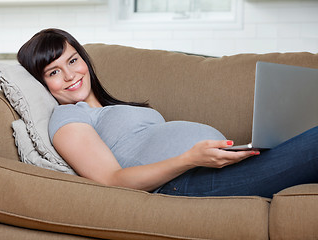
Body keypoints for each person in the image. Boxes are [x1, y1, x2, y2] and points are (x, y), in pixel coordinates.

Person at [18, 28, 318, 198]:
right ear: (41, 82)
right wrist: (189, 159)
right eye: (54, 71)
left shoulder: (110, 110)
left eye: (72, 61)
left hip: (210, 169)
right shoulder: (68, 117)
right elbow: (111, 180)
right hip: (183, 185)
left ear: (84, 59)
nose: (70, 75)